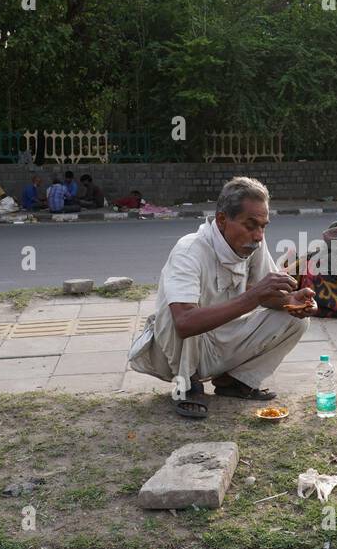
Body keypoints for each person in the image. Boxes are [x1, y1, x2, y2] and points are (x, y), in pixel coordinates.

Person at [129, 176, 316, 418]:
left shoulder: (254, 244)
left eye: (263, 226)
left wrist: (292, 301)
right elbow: (184, 323)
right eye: (250, 226)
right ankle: (188, 383)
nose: (259, 235)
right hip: (181, 348)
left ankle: (233, 382)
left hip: (223, 339)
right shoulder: (189, 250)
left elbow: (267, 295)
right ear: (222, 220)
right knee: (181, 316)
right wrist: (254, 296)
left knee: (296, 319)